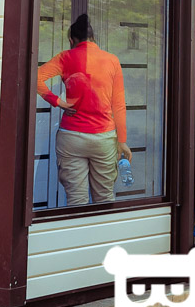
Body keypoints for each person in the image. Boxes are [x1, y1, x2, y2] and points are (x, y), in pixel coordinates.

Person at [35, 13, 131, 206]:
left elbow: (35, 77)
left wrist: (57, 101)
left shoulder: (65, 57)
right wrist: (122, 141)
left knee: (76, 201)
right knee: (104, 199)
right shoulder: (112, 60)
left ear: (72, 40)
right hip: (104, 139)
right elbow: (119, 104)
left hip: (71, 138)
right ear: (93, 38)